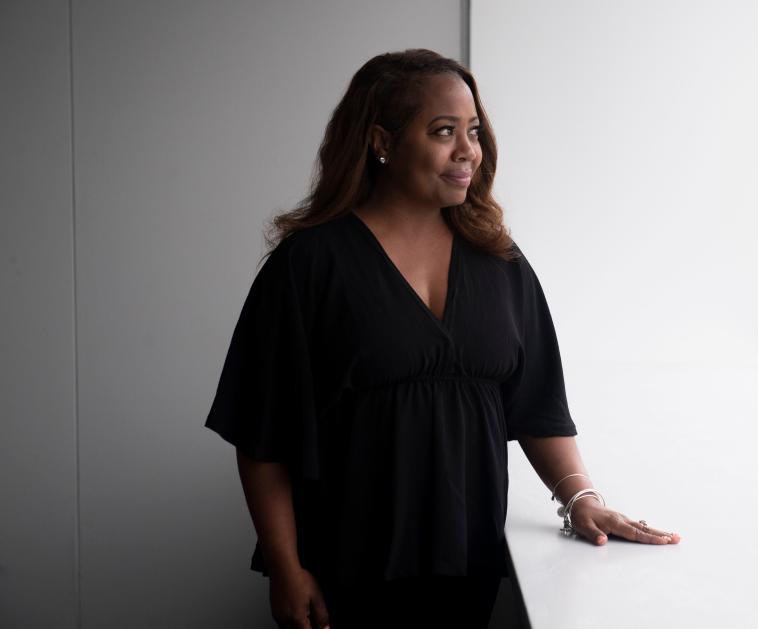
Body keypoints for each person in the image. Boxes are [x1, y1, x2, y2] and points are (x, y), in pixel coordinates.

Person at [205, 48, 681, 629]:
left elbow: (537, 408)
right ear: (381, 141)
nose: (468, 151)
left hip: (468, 568)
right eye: (443, 131)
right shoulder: (311, 265)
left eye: (474, 131)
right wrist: (285, 567)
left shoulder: (500, 262)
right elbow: (263, 435)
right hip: (345, 571)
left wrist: (584, 500)